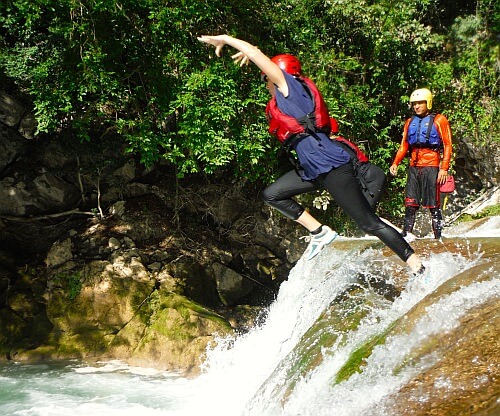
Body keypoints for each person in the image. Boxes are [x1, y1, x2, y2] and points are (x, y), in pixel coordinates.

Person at [198, 34, 424, 274]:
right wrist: (251, 49)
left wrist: (225, 39)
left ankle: (417, 265)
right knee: (272, 194)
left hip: (329, 164)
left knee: (368, 223)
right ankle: (320, 232)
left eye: (267, 78)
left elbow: (257, 57)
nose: (266, 84)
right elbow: (257, 55)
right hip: (312, 167)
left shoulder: (289, 87)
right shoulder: (290, 97)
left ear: (276, 76)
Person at [389, 88, 453, 239]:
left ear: (428, 103)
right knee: (410, 204)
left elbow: (448, 145)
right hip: (414, 166)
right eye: (414, 104)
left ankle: (438, 237)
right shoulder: (410, 122)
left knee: (433, 205)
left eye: (420, 103)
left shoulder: (439, 120)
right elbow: (404, 145)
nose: (416, 106)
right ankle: (406, 236)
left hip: (431, 166)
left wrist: (444, 168)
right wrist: (396, 162)